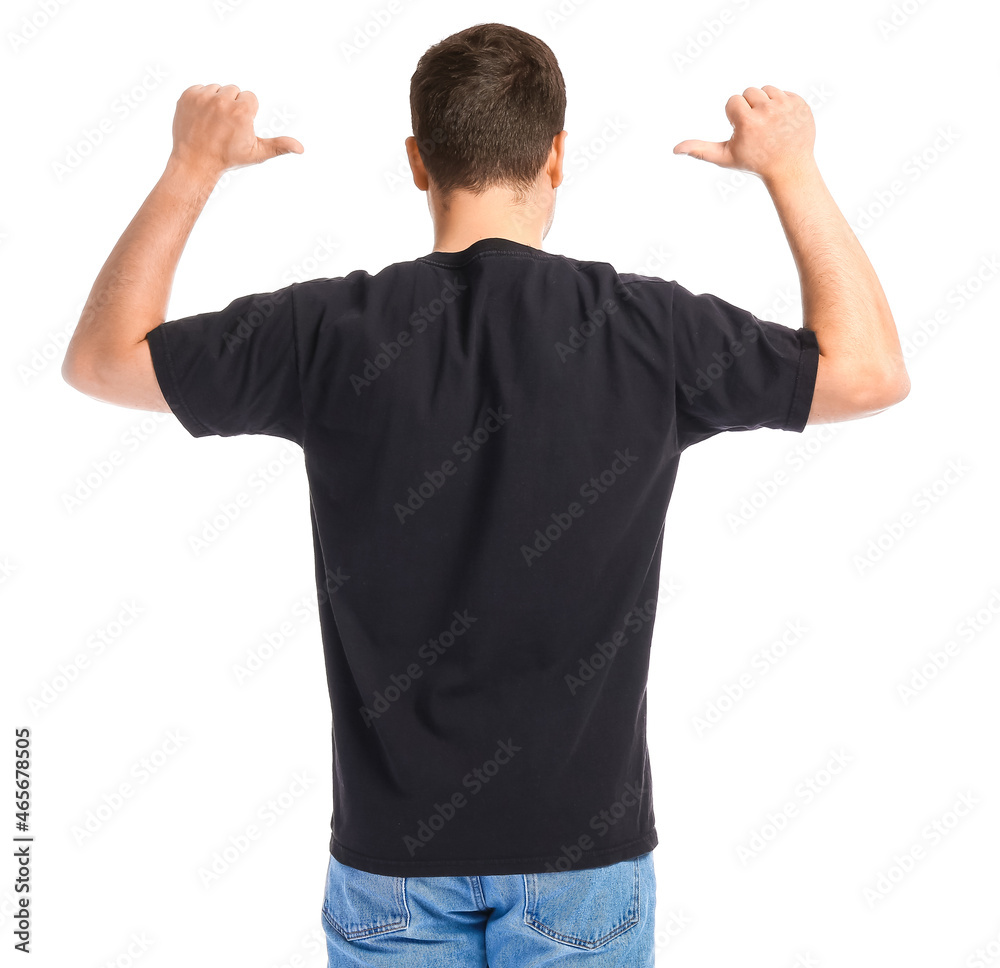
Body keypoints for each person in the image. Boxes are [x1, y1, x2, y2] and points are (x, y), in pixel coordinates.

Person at [61, 21, 909, 968]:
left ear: (418, 162)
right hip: (583, 863)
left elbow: (101, 362)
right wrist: (791, 168)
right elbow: (868, 374)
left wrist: (190, 166)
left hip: (391, 866)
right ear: (555, 156)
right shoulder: (649, 331)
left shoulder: (328, 331)